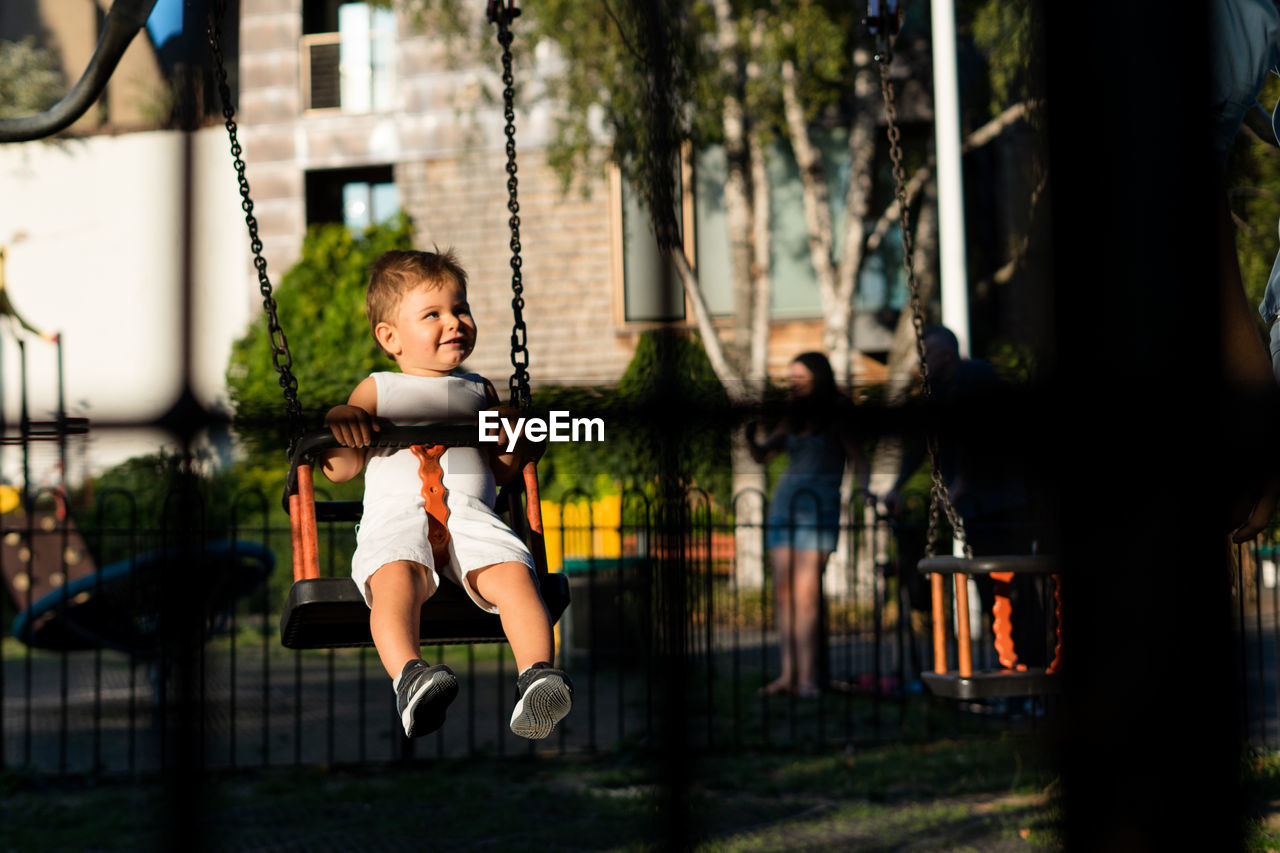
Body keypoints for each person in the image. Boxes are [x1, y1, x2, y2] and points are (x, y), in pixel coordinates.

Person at [321, 248, 572, 740]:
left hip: (471, 517)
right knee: (395, 581)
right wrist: (340, 422)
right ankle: (411, 677)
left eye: (461, 309)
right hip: (399, 519)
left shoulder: (480, 392)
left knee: (517, 576)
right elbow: (340, 468)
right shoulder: (378, 389)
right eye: (432, 314)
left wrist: (516, 440)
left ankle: (539, 675)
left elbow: (500, 473)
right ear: (390, 337)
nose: (454, 321)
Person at [883, 325, 1048, 670]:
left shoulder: (976, 377)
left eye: (927, 353)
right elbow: (920, 442)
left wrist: (961, 484)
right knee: (992, 588)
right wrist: (897, 485)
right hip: (979, 508)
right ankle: (1011, 664)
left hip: (1006, 504)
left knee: (1016, 587)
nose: (922, 361)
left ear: (946, 353)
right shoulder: (938, 392)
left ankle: (1031, 667)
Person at [746, 352, 870, 697]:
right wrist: (750, 436)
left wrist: (866, 492)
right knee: (784, 595)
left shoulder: (837, 411)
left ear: (818, 376)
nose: (794, 383)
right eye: (791, 377)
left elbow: (859, 458)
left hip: (819, 508)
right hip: (785, 506)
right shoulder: (792, 415)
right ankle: (788, 675)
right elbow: (764, 454)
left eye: (800, 376)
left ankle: (808, 678)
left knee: (806, 596)